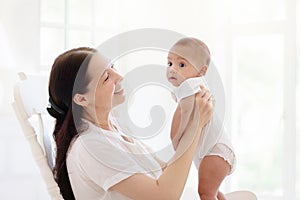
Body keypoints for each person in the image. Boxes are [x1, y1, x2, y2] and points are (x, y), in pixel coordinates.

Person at [47, 47, 214, 199]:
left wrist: (188, 115)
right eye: (106, 77)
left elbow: (164, 171)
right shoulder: (90, 146)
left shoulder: (113, 127)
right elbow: (164, 196)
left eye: (113, 67)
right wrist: (195, 127)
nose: (119, 77)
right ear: (82, 99)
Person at [166, 37, 236, 200]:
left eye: (181, 64)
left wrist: (175, 140)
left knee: (206, 193)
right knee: (212, 192)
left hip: (215, 151)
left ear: (201, 71)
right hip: (212, 151)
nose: (172, 69)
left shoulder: (190, 86)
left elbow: (182, 114)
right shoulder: (194, 86)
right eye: (169, 63)